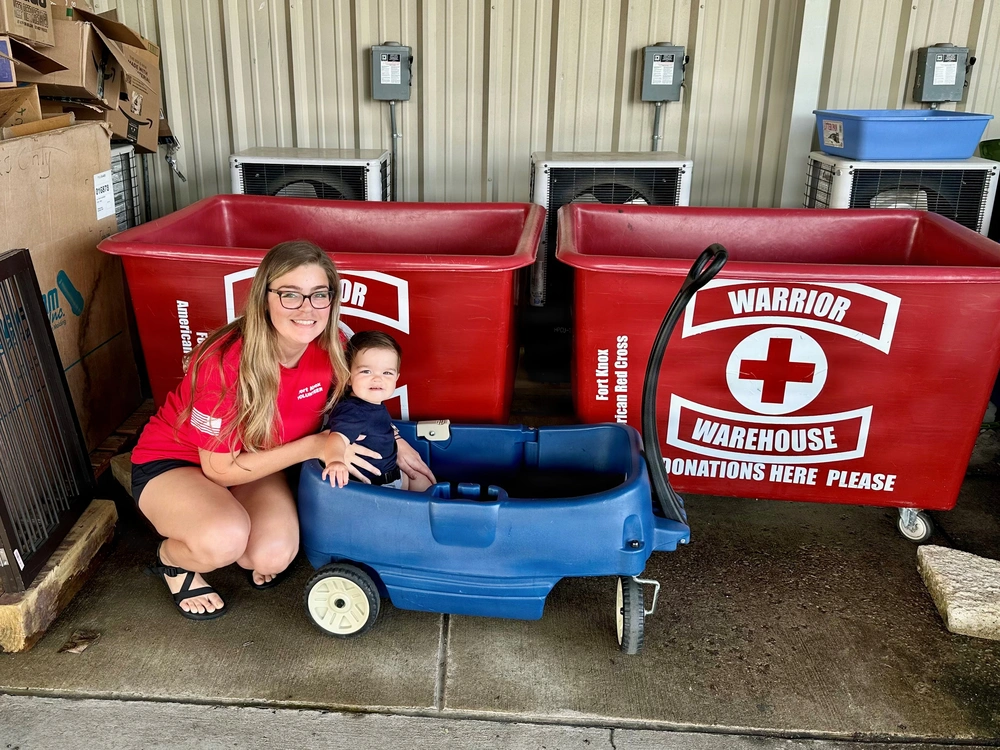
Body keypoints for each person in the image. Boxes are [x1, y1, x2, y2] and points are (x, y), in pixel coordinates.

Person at [129, 241, 435, 620]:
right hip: (180, 462)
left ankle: (226, 520)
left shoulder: (334, 345)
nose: (307, 309)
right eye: (291, 295)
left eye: (318, 295)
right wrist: (316, 445)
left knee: (271, 554)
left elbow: (355, 405)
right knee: (222, 542)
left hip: (260, 463)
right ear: (265, 298)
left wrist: (396, 440)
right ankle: (172, 560)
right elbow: (219, 469)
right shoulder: (224, 362)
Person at [322, 331, 433, 492]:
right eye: (366, 371)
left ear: (396, 378)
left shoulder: (372, 402)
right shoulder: (353, 411)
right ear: (347, 376)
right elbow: (336, 438)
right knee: (421, 498)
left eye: (387, 373)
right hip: (376, 487)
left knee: (425, 482)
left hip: (393, 473)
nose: (378, 378)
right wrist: (335, 461)